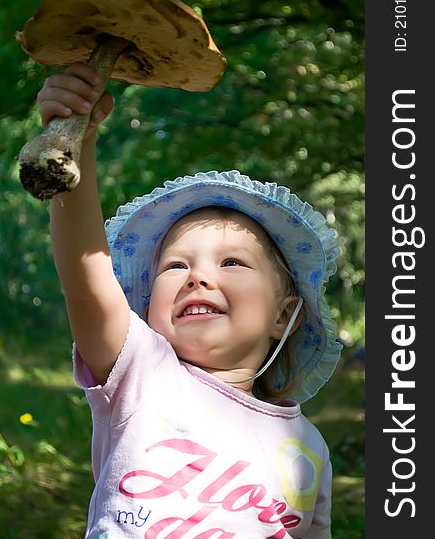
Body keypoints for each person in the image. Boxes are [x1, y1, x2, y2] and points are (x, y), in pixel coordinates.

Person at [39, 63, 342, 538]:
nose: (198, 276)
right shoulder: (142, 371)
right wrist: (76, 142)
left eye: (232, 263)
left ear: (283, 315)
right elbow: (85, 276)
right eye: (175, 266)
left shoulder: (306, 447)